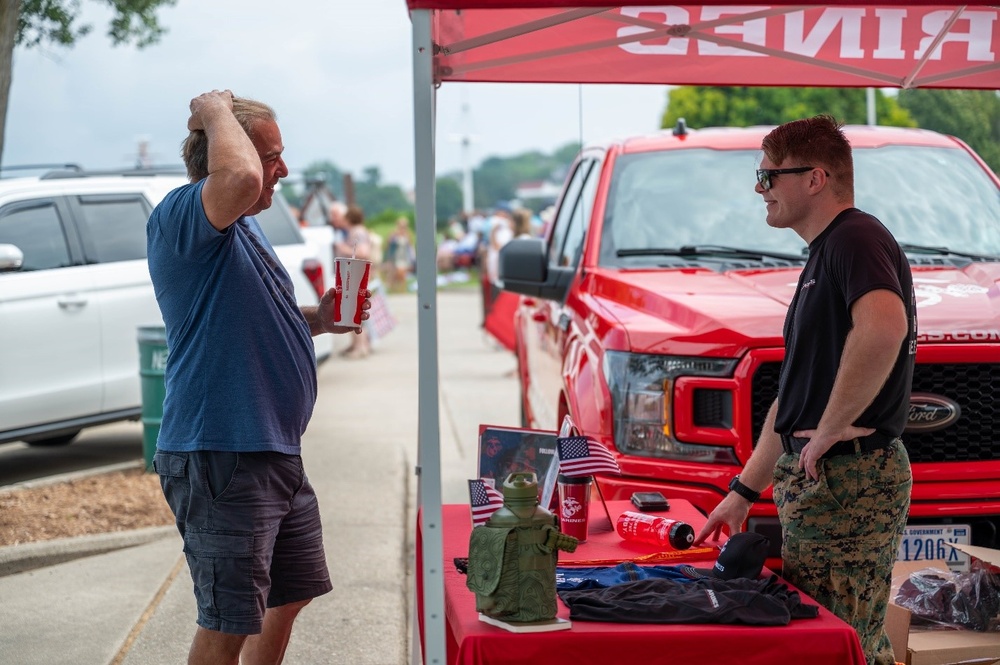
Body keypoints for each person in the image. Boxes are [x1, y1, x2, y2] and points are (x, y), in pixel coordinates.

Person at [146, 90, 370, 665]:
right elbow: (241, 176)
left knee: (290, 594)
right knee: (228, 622)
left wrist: (320, 318)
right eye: (270, 157)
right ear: (226, 154)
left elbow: (248, 318)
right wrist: (212, 106)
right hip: (222, 451)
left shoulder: (243, 226)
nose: (282, 170)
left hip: (271, 450)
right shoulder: (184, 214)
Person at [693, 115, 916, 665]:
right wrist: (743, 492)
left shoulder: (855, 238)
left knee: (842, 642)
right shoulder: (827, 252)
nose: (758, 188)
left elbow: (886, 327)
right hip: (828, 477)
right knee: (839, 638)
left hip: (846, 477)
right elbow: (794, 400)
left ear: (815, 179)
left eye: (768, 175)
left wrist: (828, 434)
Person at [335, 204, 376, 359]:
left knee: (355, 311)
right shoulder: (360, 230)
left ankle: (360, 347)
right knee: (355, 311)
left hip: (356, 277)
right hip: (357, 276)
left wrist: (342, 248)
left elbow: (363, 252)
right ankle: (358, 345)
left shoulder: (357, 232)